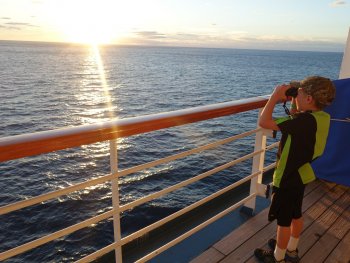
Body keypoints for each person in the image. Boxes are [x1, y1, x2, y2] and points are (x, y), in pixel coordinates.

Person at [254, 76, 336, 263]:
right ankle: (291, 250)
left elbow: (264, 122)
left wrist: (275, 96)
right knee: (296, 214)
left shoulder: (301, 123)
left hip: (287, 178)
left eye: (298, 94)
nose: (295, 96)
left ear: (308, 99)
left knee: (283, 223)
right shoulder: (321, 118)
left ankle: (279, 258)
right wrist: (294, 99)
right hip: (302, 173)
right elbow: (296, 118)